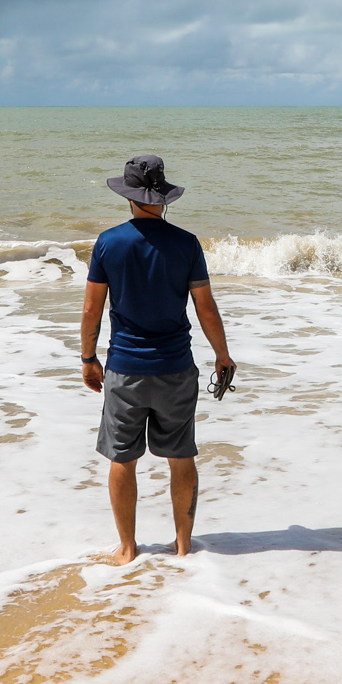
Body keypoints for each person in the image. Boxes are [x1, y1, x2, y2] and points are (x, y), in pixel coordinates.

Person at [80, 154, 236, 565]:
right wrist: (222, 354)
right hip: (175, 368)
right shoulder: (186, 243)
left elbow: (92, 310)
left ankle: (128, 549)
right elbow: (205, 306)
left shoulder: (109, 242)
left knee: (122, 460)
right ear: (163, 196)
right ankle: (184, 546)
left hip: (126, 370)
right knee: (180, 455)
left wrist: (88, 358)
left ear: (129, 197)